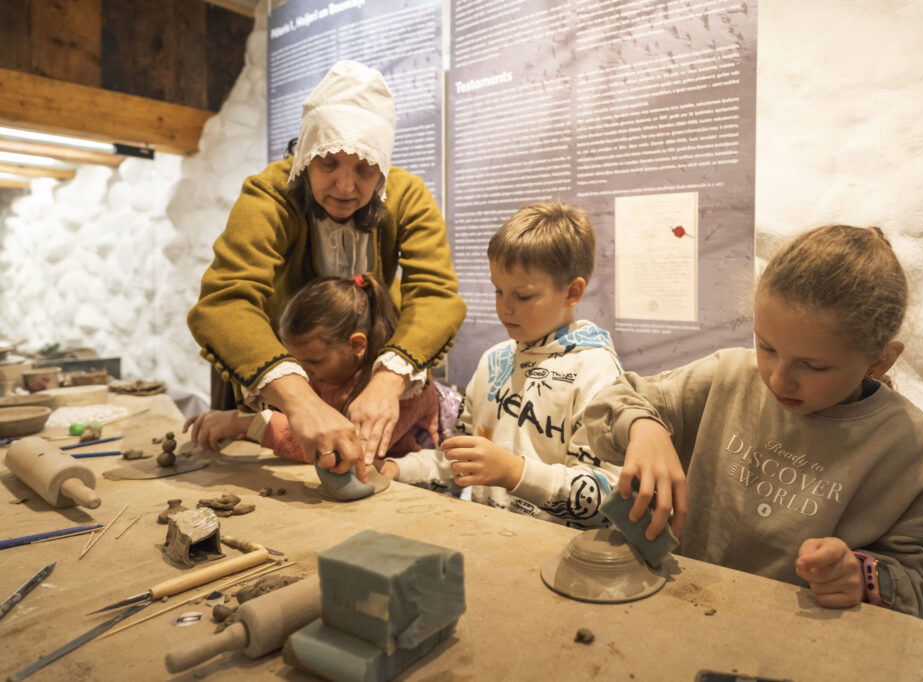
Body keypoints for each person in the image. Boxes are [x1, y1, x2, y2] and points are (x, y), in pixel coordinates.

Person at [583, 225, 923, 620]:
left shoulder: (907, 443)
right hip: (677, 611)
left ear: (880, 361)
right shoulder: (729, 374)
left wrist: (859, 577)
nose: (778, 379)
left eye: (813, 366)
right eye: (767, 347)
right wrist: (643, 427)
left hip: (796, 639)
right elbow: (609, 405)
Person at [187, 60, 465, 481]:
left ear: (382, 163)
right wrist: (299, 401)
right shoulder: (270, 194)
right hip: (279, 379)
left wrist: (388, 381)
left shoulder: (407, 196)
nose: (346, 186)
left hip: (366, 378)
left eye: (364, 168)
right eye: (329, 163)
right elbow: (225, 302)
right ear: (306, 153)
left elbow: (436, 295)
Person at [378, 201, 624, 529]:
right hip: (490, 541)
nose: (504, 308)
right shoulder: (493, 361)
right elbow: (461, 459)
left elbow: (607, 496)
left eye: (523, 296)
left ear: (572, 292)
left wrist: (514, 472)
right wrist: (396, 469)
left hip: (559, 552)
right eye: (498, 291)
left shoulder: (597, 372)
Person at [184, 274, 442, 463]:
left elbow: (344, 450)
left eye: (314, 362)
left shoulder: (406, 389)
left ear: (357, 345)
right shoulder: (323, 376)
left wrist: (246, 423)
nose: (304, 373)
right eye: (295, 362)